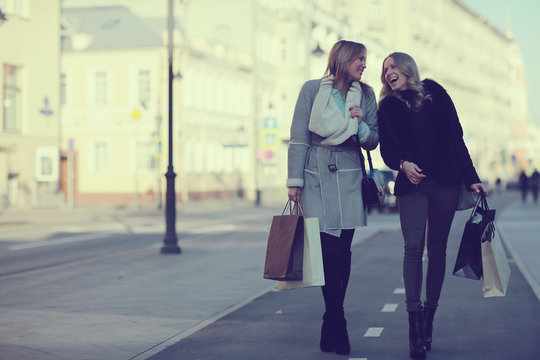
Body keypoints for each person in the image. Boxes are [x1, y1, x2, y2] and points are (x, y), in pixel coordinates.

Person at [377, 52, 487, 359]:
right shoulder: (387, 105)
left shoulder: (436, 92)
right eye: (385, 69)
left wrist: (472, 178)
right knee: (413, 248)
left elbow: (456, 139)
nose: (388, 72)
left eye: (393, 66)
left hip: (446, 183)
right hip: (413, 184)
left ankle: (429, 318)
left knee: (437, 250)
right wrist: (402, 162)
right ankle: (414, 326)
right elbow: (387, 148)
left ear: (407, 68)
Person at [287, 40, 378, 355]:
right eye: (360, 59)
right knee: (327, 252)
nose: (365, 65)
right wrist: (294, 180)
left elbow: (374, 140)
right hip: (316, 176)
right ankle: (338, 319)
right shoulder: (312, 89)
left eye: (365, 60)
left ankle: (331, 318)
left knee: (343, 252)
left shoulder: (365, 95)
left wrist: (362, 125)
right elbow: (299, 137)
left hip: (351, 173)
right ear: (343, 59)